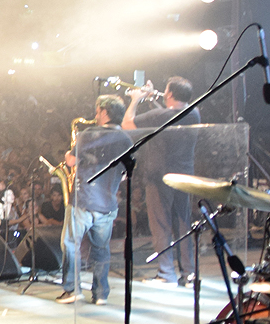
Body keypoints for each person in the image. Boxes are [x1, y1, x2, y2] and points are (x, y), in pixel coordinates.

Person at [122, 77, 200, 286]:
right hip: (184, 177)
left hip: (160, 177)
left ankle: (166, 274)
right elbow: (164, 118)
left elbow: (127, 125)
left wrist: (136, 100)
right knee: (183, 224)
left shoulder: (162, 114)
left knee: (161, 225)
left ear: (171, 94)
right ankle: (189, 273)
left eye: (165, 91)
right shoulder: (193, 113)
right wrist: (152, 100)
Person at [57, 96, 131, 306]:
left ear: (104, 112)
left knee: (71, 244)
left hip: (83, 200)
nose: (95, 115)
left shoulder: (89, 134)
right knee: (101, 249)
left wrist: (67, 153)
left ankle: (72, 289)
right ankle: (101, 294)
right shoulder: (125, 139)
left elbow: (70, 161)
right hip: (107, 204)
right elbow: (126, 172)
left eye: (97, 111)